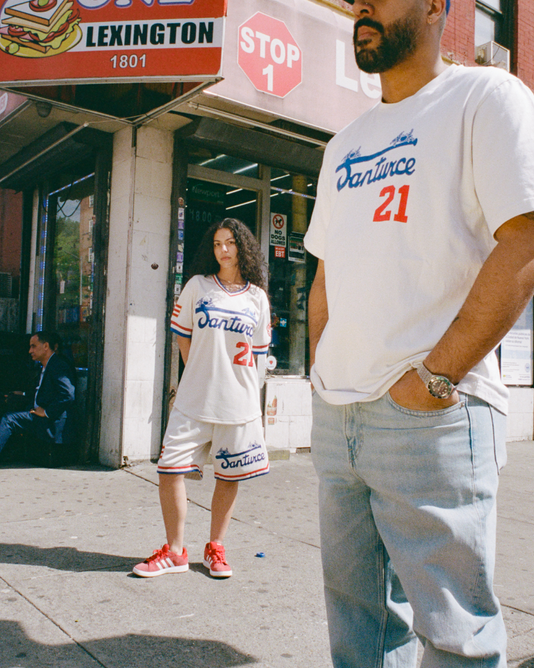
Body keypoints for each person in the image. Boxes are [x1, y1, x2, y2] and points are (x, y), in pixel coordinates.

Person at [304, 0, 534, 666]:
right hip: (338, 415)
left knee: (456, 642)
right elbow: (326, 270)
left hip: (430, 416)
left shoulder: (485, 96)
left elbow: (522, 238)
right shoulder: (344, 142)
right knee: (360, 632)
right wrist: (321, 375)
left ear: (438, 6)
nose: (361, 5)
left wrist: (436, 377)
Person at [133, 218, 271, 579]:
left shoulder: (257, 297)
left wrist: (253, 401)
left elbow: (258, 354)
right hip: (195, 397)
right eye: (217, 244)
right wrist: (197, 372)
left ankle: (216, 547)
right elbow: (182, 336)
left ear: (243, 247)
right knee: (169, 469)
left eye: (230, 243)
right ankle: (175, 551)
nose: (223, 250)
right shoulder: (197, 286)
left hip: (238, 402)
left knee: (229, 476)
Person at [0, 331, 76, 454]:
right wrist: (22, 394)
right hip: (36, 412)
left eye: (33, 346)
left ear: (46, 346)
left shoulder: (58, 366)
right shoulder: (45, 366)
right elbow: (43, 393)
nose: (30, 351)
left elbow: (68, 394)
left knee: (8, 419)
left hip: (51, 421)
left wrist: (46, 412)